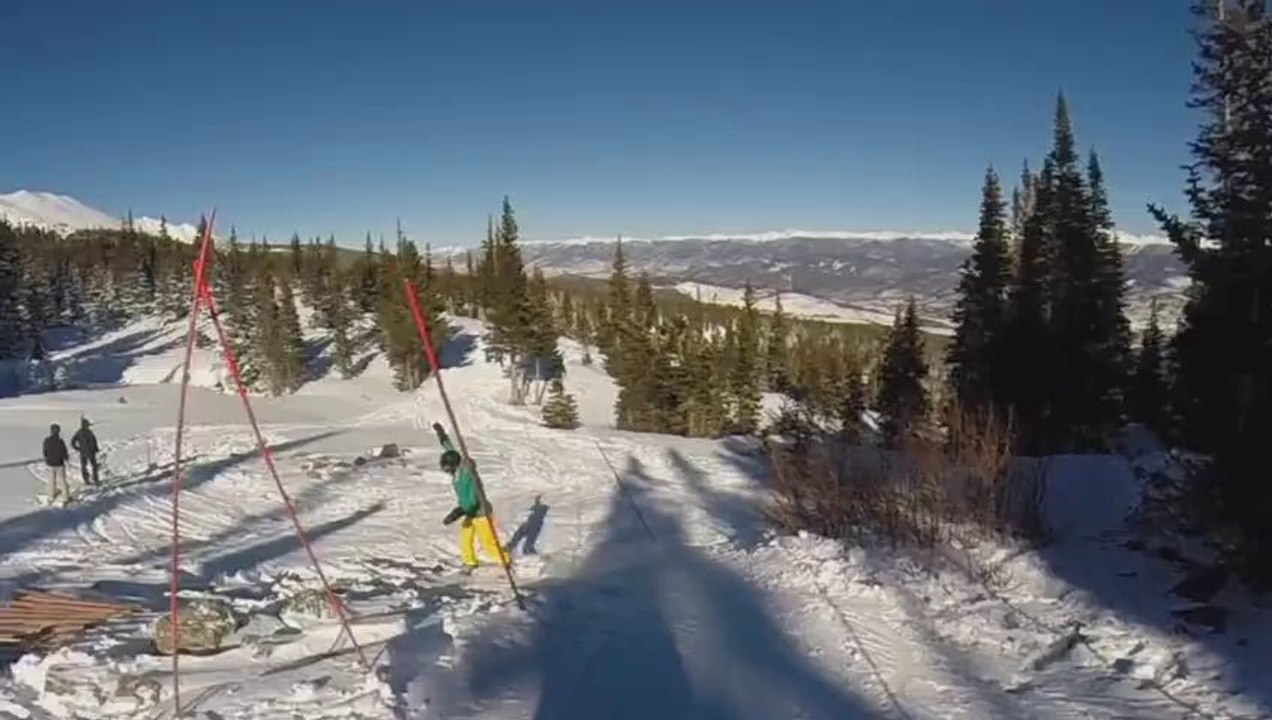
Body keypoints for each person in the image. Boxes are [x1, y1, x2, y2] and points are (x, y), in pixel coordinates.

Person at [434, 422, 509, 571]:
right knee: (465, 538)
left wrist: (457, 513)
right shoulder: (457, 472)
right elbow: (451, 450)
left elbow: (472, 500)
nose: (446, 470)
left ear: (455, 465)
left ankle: (505, 560)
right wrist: (442, 435)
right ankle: (470, 562)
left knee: (488, 544)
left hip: (479, 511)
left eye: (447, 467)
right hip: (468, 510)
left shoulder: (467, 473)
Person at [42, 424, 71, 501]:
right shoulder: (61, 441)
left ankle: (51, 495)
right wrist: (66, 459)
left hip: (50, 463)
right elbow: (64, 452)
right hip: (60, 463)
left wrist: (47, 458)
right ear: (59, 431)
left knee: (51, 480)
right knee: (62, 480)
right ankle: (65, 496)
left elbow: (45, 451)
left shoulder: (47, 440)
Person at [71, 417, 100, 486]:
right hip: (86, 452)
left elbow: (93, 440)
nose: (88, 426)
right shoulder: (83, 432)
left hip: (87, 452)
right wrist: (77, 448)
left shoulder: (85, 432)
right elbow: (73, 442)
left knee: (90, 466)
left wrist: (95, 448)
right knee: (88, 466)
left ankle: (91, 479)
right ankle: (89, 479)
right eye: (87, 424)